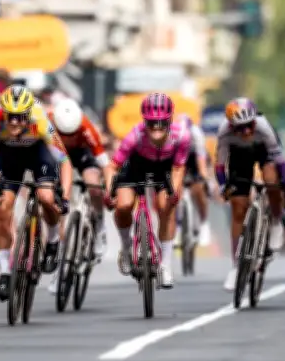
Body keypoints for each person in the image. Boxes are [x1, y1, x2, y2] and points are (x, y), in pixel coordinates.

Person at [0, 85, 73, 302]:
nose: (15, 122)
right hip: (9, 156)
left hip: (38, 154)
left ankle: (52, 240)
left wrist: (66, 197)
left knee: (46, 197)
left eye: (20, 117)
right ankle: (5, 272)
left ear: (28, 114)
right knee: (3, 207)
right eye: (10, 117)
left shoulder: (41, 122)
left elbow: (64, 161)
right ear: (4, 113)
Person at [103, 93, 190, 289]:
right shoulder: (135, 135)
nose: (157, 128)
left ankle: (165, 265)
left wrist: (175, 191)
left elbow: (178, 168)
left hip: (164, 171)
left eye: (161, 123)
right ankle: (126, 247)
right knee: (124, 205)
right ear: (144, 122)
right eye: (151, 123)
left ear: (169, 121)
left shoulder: (182, 135)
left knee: (165, 207)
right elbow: (112, 167)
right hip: (135, 168)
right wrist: (109, 192)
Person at [215, 97, 285, 291]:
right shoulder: (224, 132)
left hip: (264, 152)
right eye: (240, 128)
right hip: (239, 157)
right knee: (238, 208)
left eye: (250, 125)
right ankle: (235, 266)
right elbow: (220, 165)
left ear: (255, 120)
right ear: (232, 127)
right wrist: (224, 186)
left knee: (272, 181)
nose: (247, 131)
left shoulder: (264, 128)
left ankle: (274, 223)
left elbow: (282, 164)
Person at [46, 98, 109, 295]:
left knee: (94, 184)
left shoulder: (86, 127)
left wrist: (107, 186)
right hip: (56, 153)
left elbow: (104, 163)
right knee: (56, 203)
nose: (68, 137)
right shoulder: (46, 122)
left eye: (72, 133)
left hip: (82, 153)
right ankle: (60, 270)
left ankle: (99, 227)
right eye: (64, 133)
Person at [177, 114, 213, 244]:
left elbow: (201, 159)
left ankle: (204, 223)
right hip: (179, 159)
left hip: (195, 158)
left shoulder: (196, 134)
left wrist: (203, 178)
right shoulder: (171, 135)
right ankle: (178, 226)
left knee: (199, 189)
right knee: (174, 188)